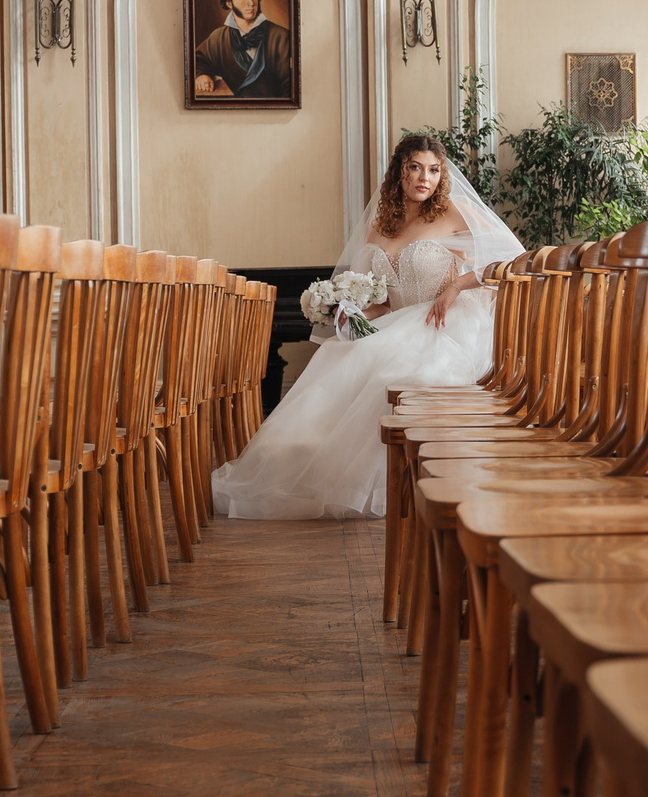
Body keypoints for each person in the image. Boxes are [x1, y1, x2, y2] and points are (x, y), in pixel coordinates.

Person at [212, 134, 524, 519]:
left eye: (433, 170)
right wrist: (348, 315)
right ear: (399, 172)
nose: (424, 178)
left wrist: (457, 285)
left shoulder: (453, 212)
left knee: (404, 374)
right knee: (336, 355)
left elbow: (514, 259)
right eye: (415, 168)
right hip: (398, 322)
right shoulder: (380, 226)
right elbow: (382, 302)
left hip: (443, 321)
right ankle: (319, 474)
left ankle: (420, 484)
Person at [191, 0, 296, 100]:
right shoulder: (218, 37)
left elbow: (291, 86)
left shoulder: (281, 37)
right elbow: (196, 60)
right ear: (229, 3)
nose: (251, 3)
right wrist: (201, 75)